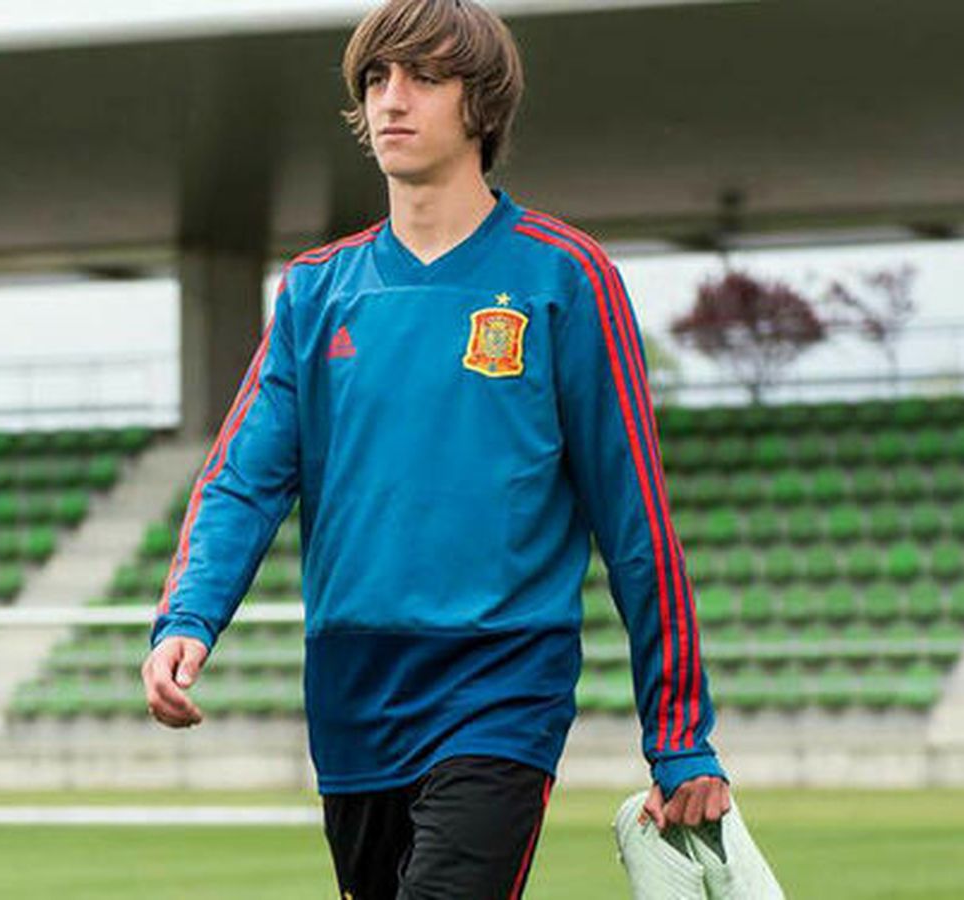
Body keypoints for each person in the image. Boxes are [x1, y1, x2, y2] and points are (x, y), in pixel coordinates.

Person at [141, 1, 731, 896]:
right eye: (377, 79)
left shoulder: (565, 277)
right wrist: (188, 618)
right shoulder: (315, 291)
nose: (391, 99)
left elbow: (636, 518)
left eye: (423, 77)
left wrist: (680, 732)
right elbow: (242, 483)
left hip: (502, 684)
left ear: (482, 106)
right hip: (352, 693)